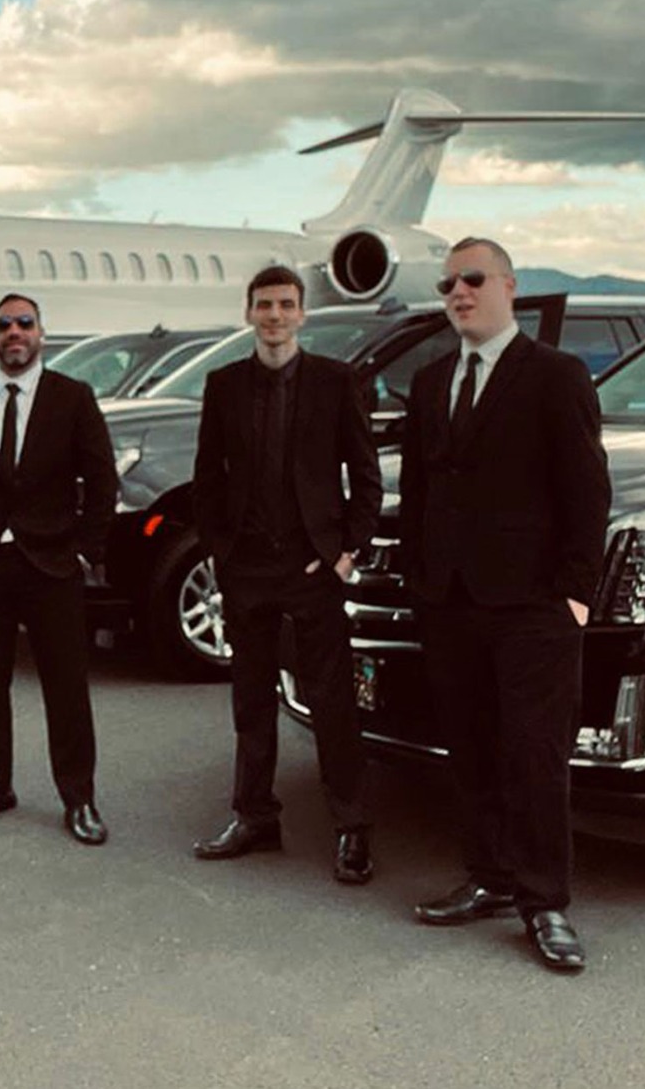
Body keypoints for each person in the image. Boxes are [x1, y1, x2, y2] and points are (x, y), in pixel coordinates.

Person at [398, 238, 611, 971]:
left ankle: (544, 902)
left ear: (510, 286)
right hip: (451, 603)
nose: (458, 291)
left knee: (534, 756)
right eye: (449, 282)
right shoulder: (430, 382)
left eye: (473, 278)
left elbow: (588, 493)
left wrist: (576, 597)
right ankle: (488, 876)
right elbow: (423, 491)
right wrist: (422, 582)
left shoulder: (555, 375)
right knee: (473, 751)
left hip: (533, 607)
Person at [191, 265, 383, 883]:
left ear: (302, 314)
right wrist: (222, 552)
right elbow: (208, 478)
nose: (275, 315)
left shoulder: (335, 381)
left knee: (332, 703)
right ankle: (253, 816)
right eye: (264, 305)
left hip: (312, 568)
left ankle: (352, 828)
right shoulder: (223, 385)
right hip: (247, 568)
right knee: (250, 701)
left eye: (286, 305)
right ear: (248, 312)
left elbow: (366, 474)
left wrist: (347, 551)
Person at [0, 294, 118, 845]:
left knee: (65, 687)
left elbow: (102, 482)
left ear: (41, 334)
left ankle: (79, 798)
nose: (15, 332)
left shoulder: (72, 398)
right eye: (5, 324)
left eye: (25, 323)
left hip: (51, 563)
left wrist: (86, 548)